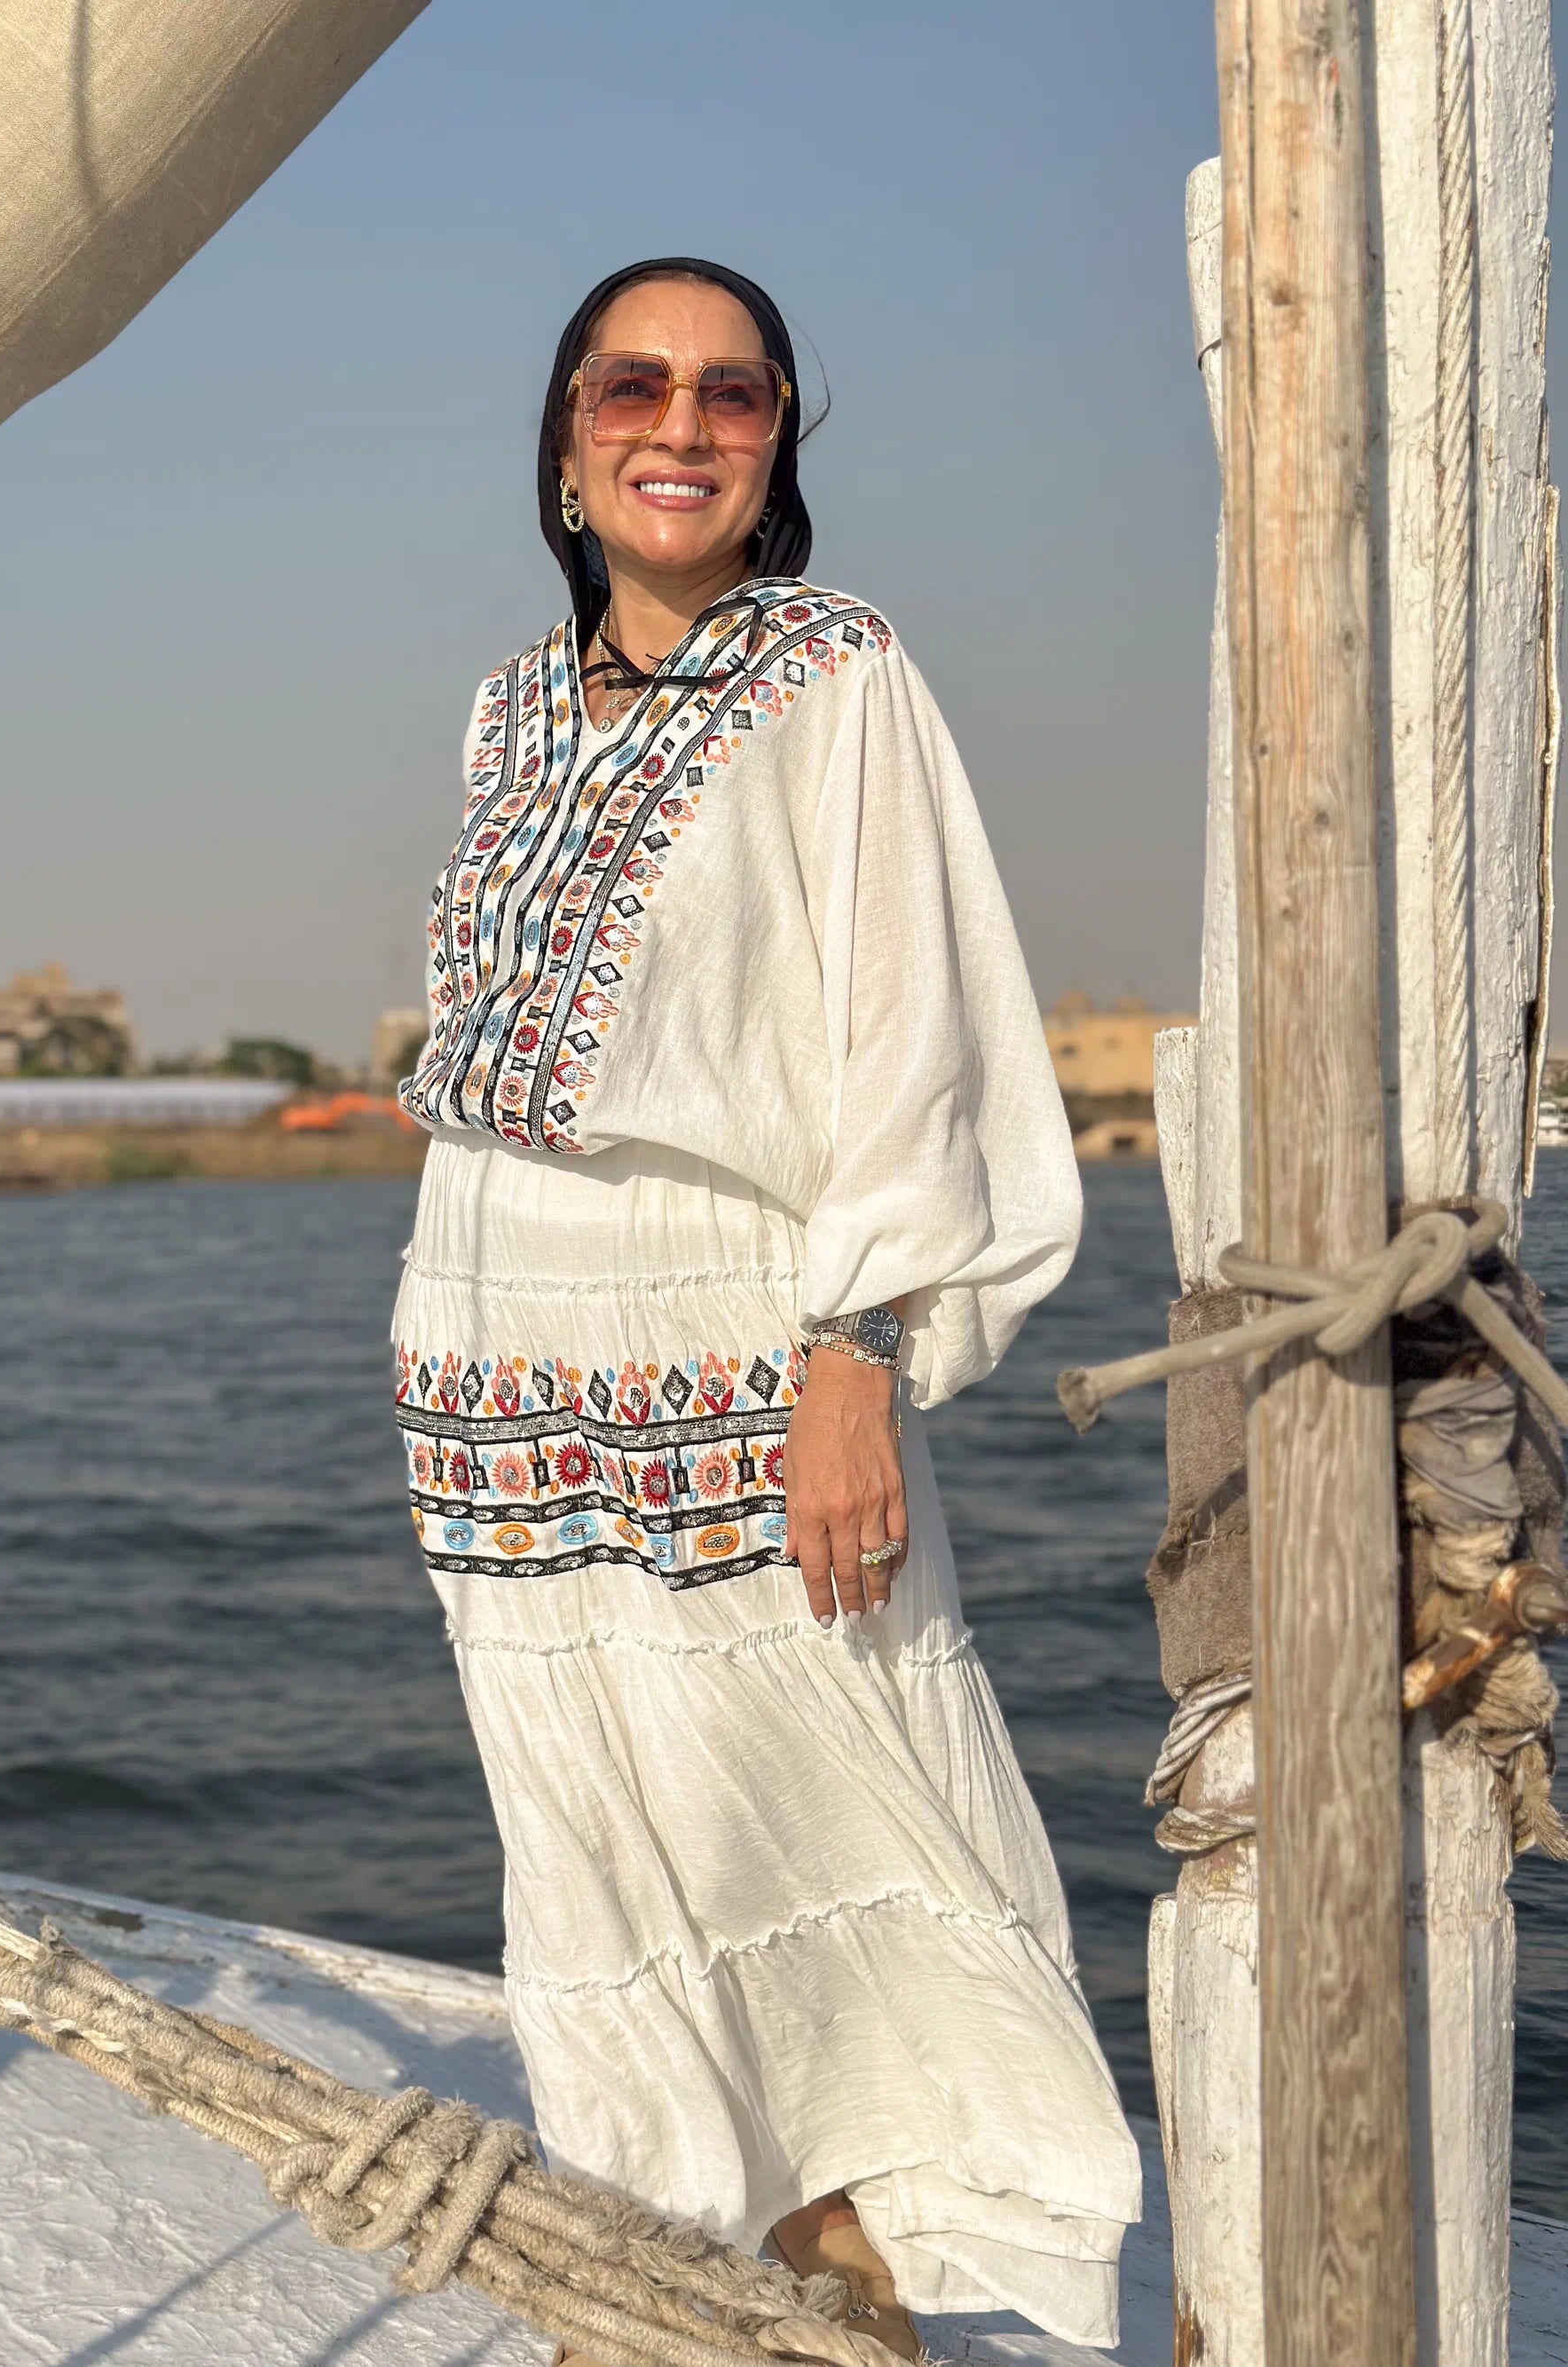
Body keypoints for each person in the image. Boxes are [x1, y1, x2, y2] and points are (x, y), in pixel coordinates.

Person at [393, 257, 1139, 2355]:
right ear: (563, 437)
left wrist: (855, 1348)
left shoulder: (833, 669)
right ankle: (684, 2243)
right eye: (634, 383)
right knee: (594, 1817)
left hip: (719, 1313)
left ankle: (913, 2239)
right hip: (486, 1319)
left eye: (735, 392)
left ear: (782, 438)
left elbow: (912, 1032)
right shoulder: (505, 700)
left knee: (827, 1768)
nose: (682, 422)